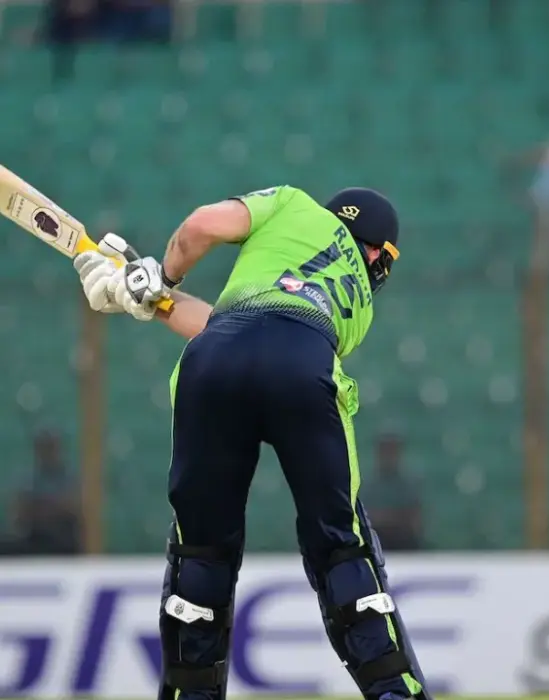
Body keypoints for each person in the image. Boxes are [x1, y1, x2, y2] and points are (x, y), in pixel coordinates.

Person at [72, 186, 430, 700]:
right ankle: (395, 692)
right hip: (304, 365)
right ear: (378, 256)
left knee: (202, 553)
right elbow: (276, 337)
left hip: (212, 365)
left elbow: (204, 242)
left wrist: (154, 285)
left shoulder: (291, 204)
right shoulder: (359, 305)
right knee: (340, 548)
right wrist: (149, 291)